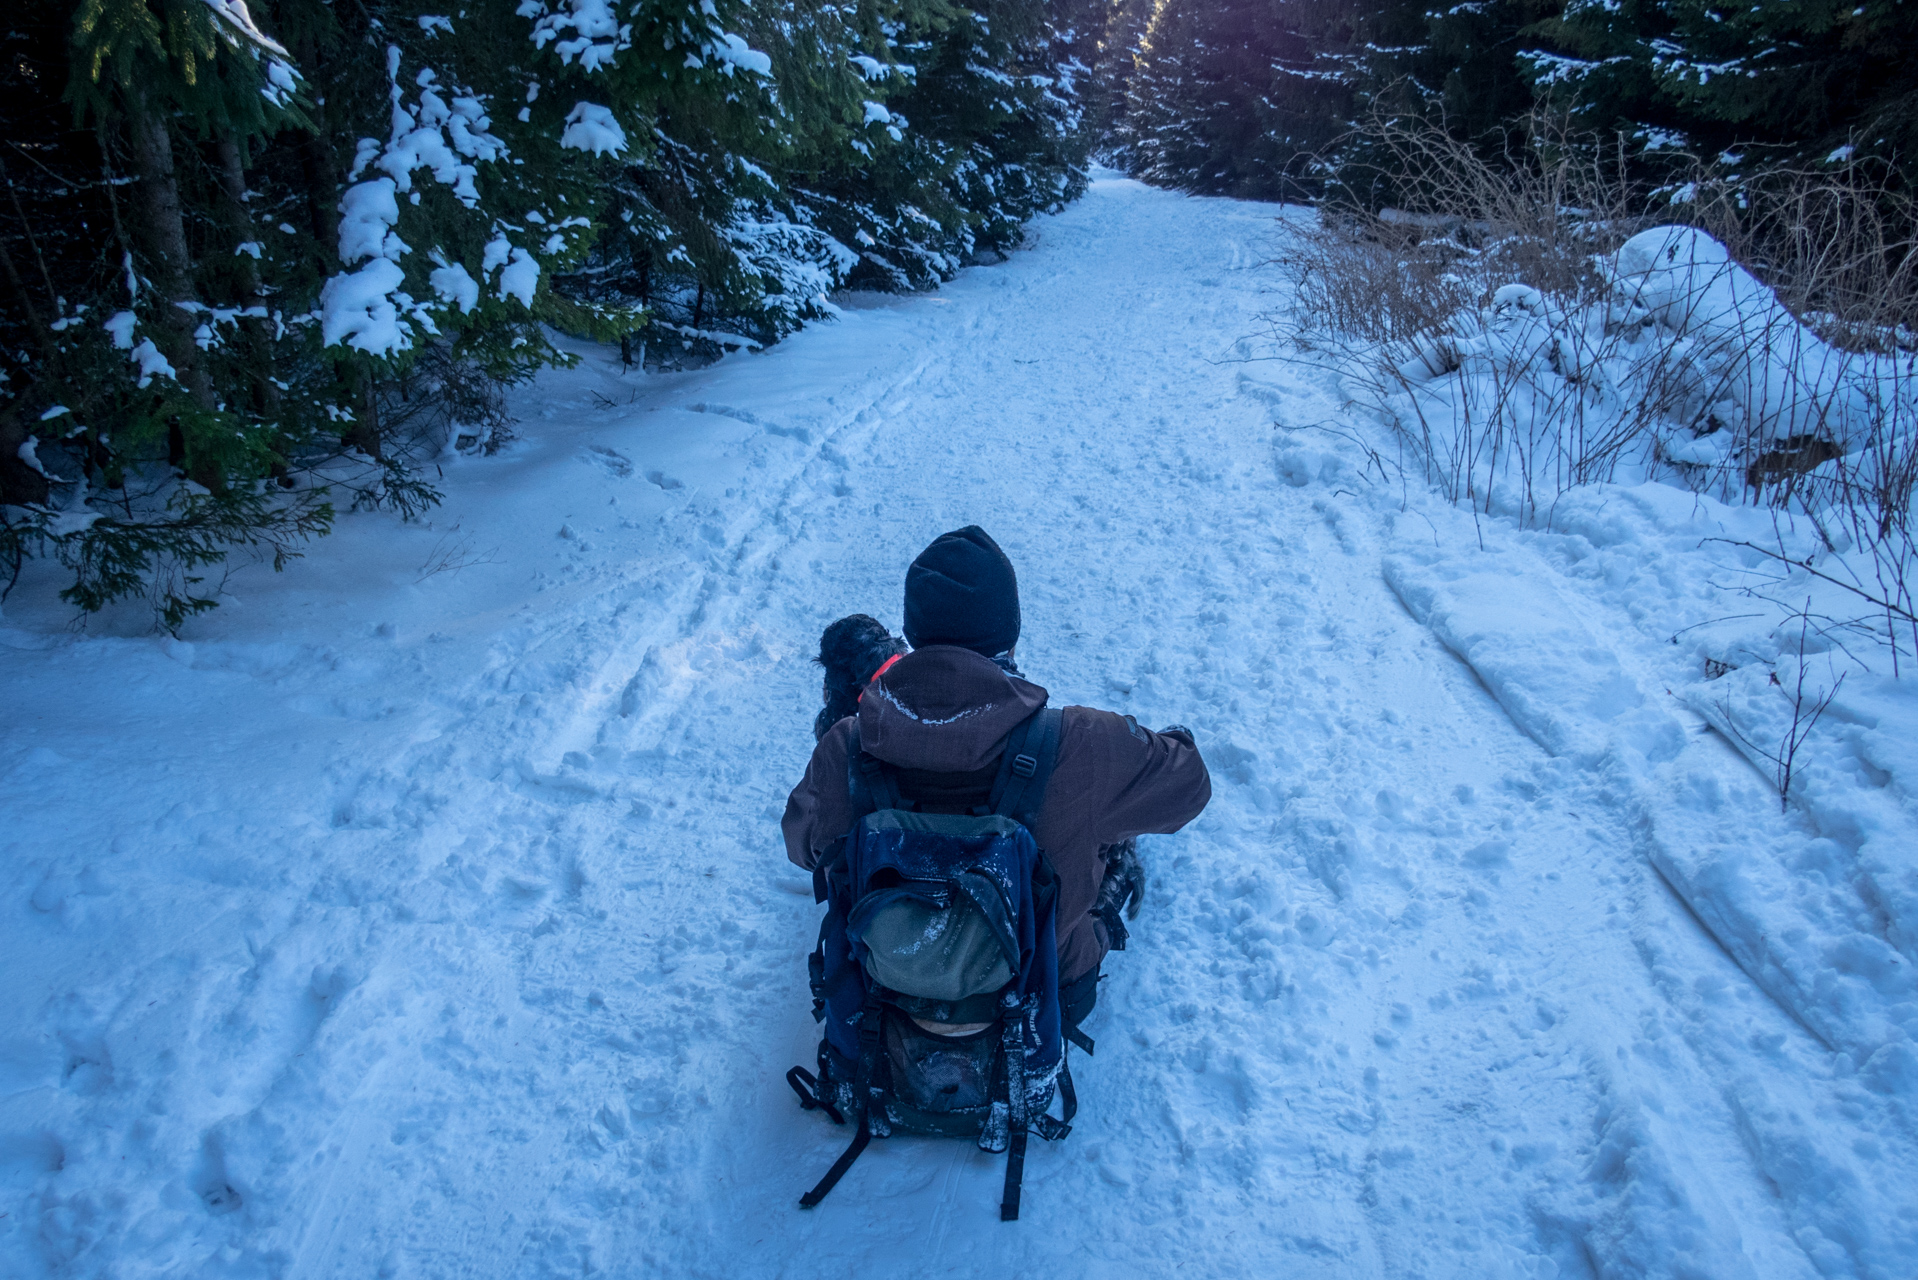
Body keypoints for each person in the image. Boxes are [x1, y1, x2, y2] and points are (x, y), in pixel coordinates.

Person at [782, 525, 1212, 1038]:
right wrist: (1163, 743)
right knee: (1105, 831)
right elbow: (1190, 787)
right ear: (1009, 632)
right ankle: (1107, 897)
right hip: (1039, 998)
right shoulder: (1081, 744)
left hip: (884, 1005)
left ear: (911, 635)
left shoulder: (846, 746)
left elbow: (804, 846)